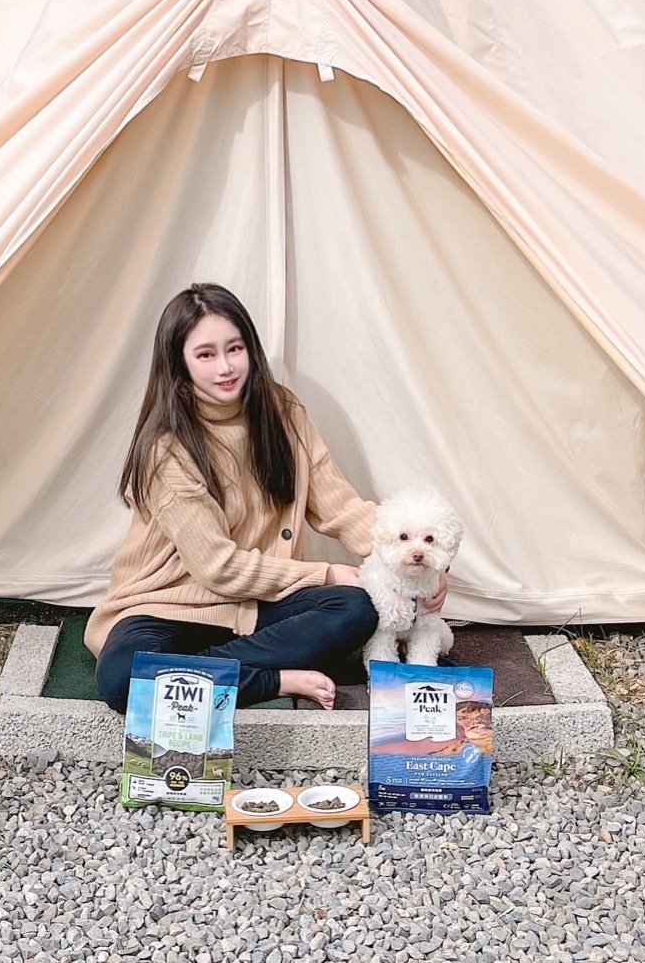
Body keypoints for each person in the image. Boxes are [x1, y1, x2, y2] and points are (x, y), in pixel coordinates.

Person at [87, 282, 446, 712]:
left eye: (234, 349)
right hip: (168, 606)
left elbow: (341, 507)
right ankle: (271, 679)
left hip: (258, 605)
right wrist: (325, 573)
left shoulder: (283, 411)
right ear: (179, 364)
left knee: (357, 608)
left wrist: (414, 562)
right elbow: (216, 568)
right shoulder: (168, 447)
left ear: (250, 349)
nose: (225, 367)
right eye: (205, 355)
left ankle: (186, 676)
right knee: (122, 675)